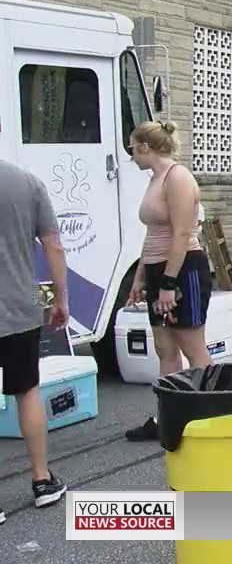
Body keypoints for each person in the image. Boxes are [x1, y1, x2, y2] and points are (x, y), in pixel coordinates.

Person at [124, 122, 216, 443]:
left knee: (192, 346)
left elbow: (180, 234)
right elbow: (153, 235)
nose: (132, 155)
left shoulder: (178, 178)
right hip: (157, 269)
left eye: (133, 148)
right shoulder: (155, 180)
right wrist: (140, 277)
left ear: (146, 147)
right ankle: (170, 416)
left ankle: (211, 415)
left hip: (183, 270)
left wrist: (167, 283)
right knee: (165, 348)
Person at [0, 161, 70, 522]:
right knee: (27, 391)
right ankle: (42, 481)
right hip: (19, 309)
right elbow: (54, 246)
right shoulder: (27, 181)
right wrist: (60, 300)